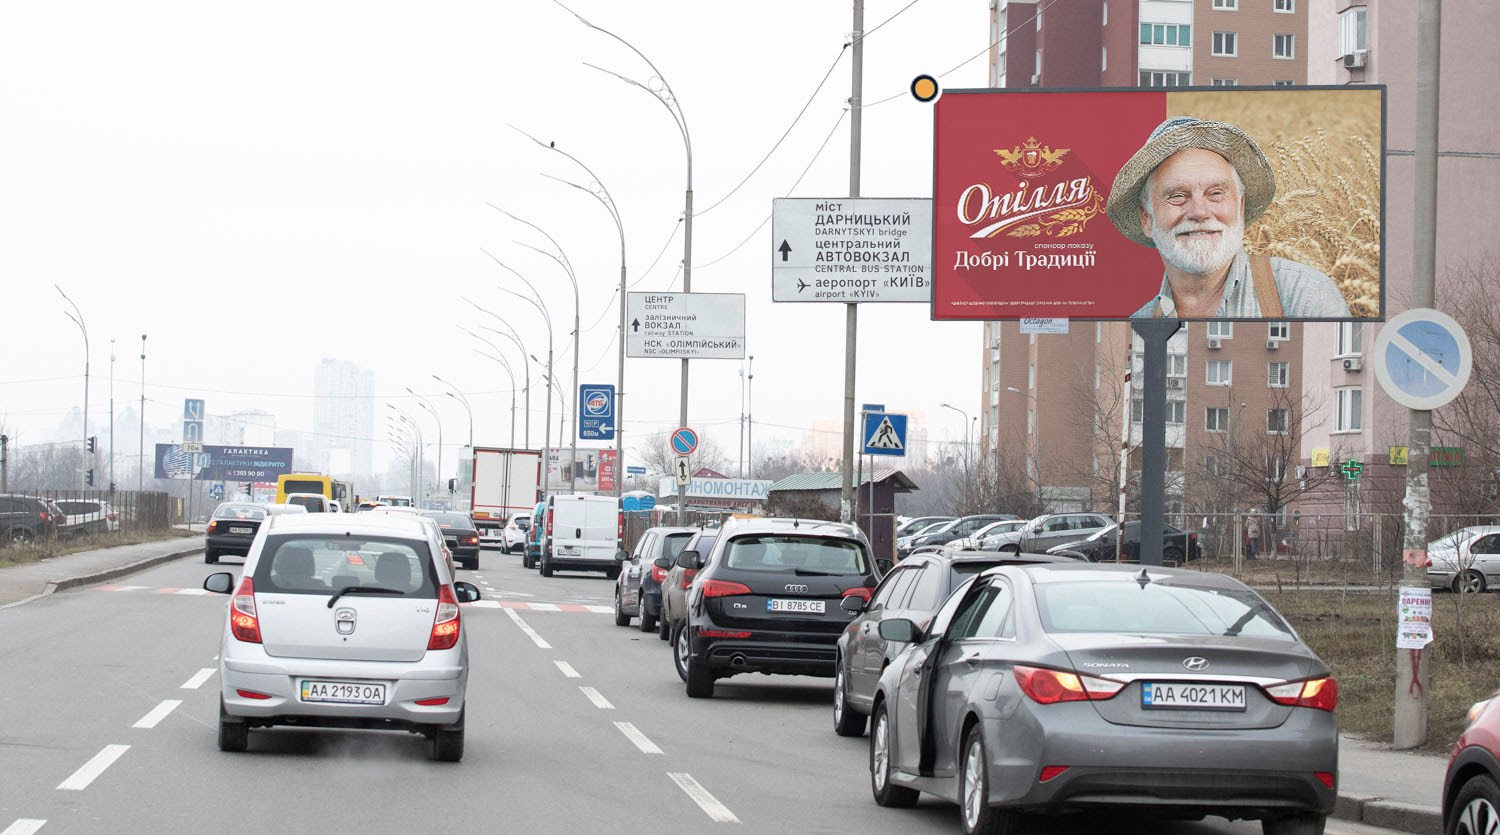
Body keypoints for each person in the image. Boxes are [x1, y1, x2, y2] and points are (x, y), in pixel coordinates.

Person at [1105, 116, 1352, 319]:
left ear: (1240, 207)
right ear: (1147, 218)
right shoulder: (1139, 323)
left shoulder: (1305, 296)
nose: (1200, 212)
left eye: (1215, 194)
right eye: (1178, 196)